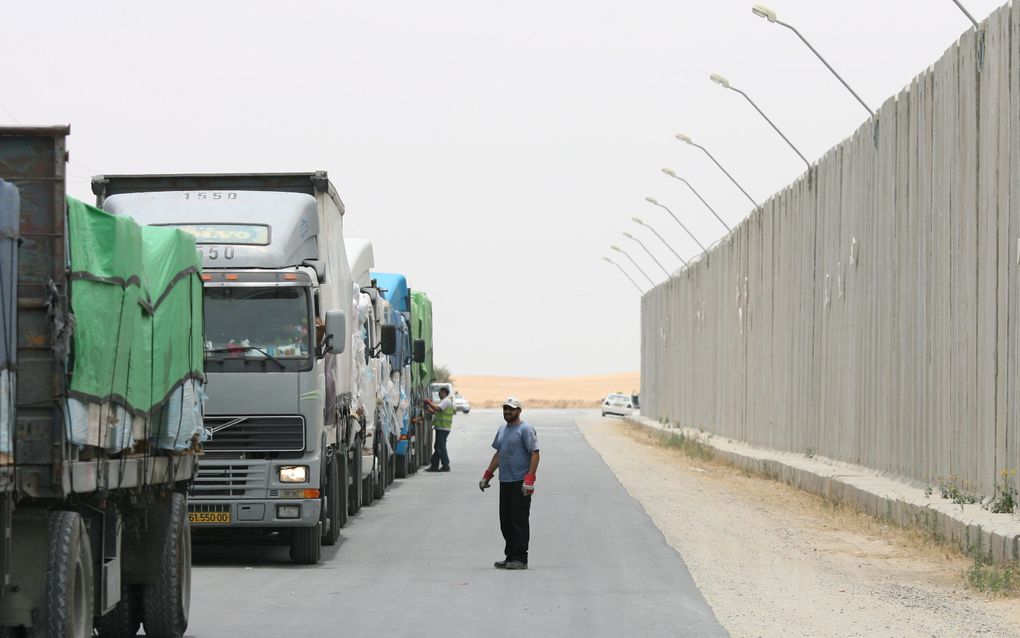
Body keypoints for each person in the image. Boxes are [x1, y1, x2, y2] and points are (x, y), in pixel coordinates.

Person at [478, 397, 539, 570]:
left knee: (519, 521)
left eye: (511, 409)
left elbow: (535, 454)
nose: (507, 412)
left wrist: (529, 480)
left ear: (519, 411)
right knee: (505, 521)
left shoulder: (525, 429)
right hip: (504, 481)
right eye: (505, 409)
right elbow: (499, 453)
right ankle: (511, 555)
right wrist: (487, 475)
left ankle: (521, 558)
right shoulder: (502, 430)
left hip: (520, 482)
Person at [425, 386, 454, 472]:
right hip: (441, 427)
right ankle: (434, 466)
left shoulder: (447, 401)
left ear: (444, 392)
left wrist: (429, 402)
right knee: (437, 447)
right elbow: (435, 411)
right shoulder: (444, 401)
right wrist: (428, 409)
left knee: (441, 447)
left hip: (443, 428)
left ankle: (446, 465)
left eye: (440, 393)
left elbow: (437, 408)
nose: (439, 394)